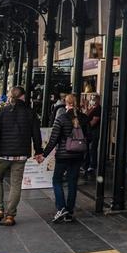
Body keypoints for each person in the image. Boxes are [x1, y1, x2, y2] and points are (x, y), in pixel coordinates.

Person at [0, 87, 43, 226]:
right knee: (16, 185)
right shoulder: (30, 112)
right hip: (21, 155)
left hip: (3, 154)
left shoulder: (3, 111)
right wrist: (39, 152)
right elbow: (36, 134)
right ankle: (10, 215)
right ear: (23, 96)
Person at [41, 94, 91, 223]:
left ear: (66, 104)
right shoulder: (84, 119)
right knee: (72, 182)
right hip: (78, 155)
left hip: (63, 155)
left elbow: (53, 139)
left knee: (57, 180)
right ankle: (69, 212)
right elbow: (89, 137)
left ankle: (61, 207)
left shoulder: (61, 119)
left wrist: (43, 154)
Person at [83, 94, 101, 175]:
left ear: (97, 100)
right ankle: (86, 165)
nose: (92, 100)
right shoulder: (92, 108)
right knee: (87, 149)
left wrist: (86, 123)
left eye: (93, 99)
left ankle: (92, 165)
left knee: (92, 148)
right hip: (89, 131)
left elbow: (94, 121)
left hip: (94, 131)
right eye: (91, 99)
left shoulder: (98, 109)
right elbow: (86, 115)